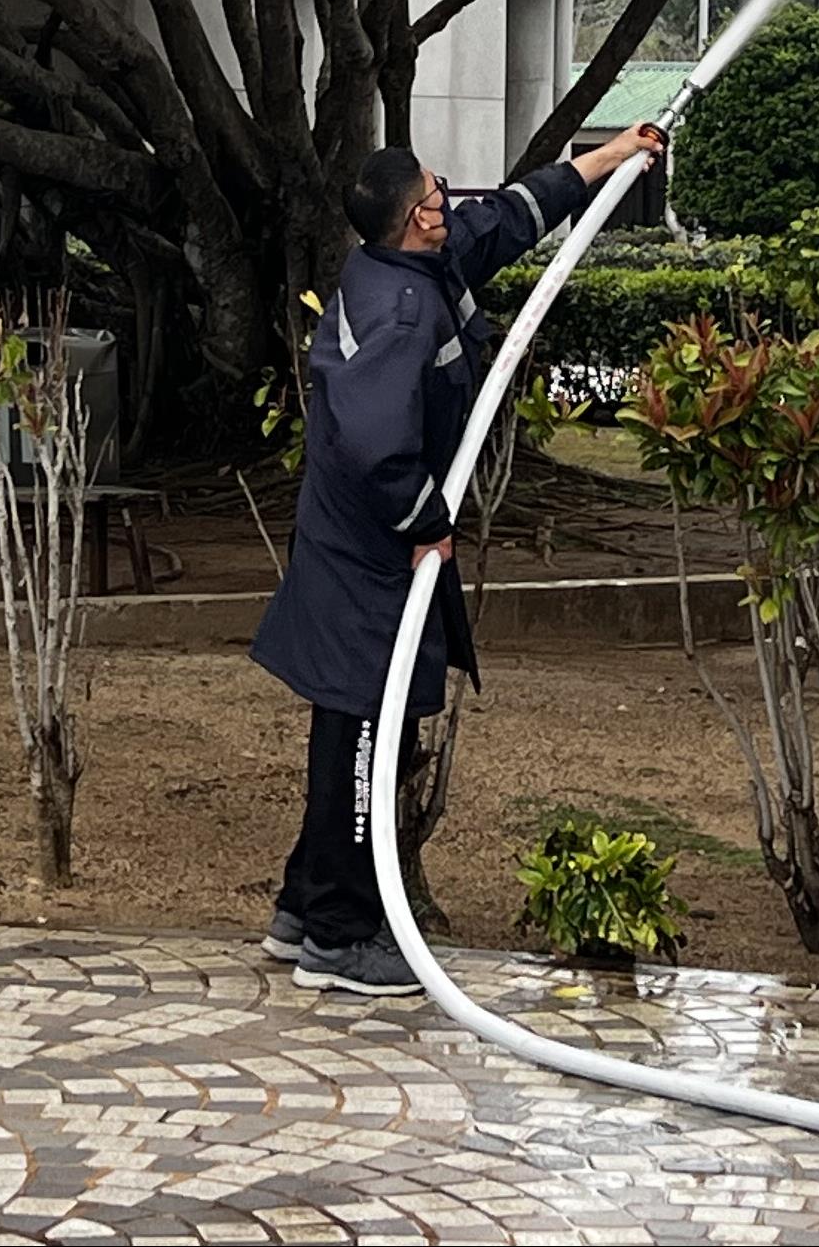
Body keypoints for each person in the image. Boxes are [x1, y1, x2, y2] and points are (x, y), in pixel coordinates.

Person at [247, 121, 666, 998]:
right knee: (364, 741)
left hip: (360, 555)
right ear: (418, 219)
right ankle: (338, 938)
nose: (450, 199)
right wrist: (424, 523)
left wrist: (612, 155)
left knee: (353, 735)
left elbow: (511, 216)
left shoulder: (418, 265)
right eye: (438, 192)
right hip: (364, 563)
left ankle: (302, 906)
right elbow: (375, 443)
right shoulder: (399, 312)